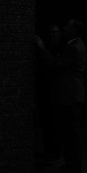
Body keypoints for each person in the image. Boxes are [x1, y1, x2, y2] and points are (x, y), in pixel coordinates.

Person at [34, 18, 87, 173]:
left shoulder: (73, 48)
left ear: (74, 31)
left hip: (69, 95)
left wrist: (42, 48)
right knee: (70, 132)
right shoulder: (75, 45)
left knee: (70, 133)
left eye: (67, 27)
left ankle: (73, 167)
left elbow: (56, 63)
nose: (64, 29)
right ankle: (71, 165)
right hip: (71, 93)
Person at [35, 24, 64, 165]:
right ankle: (49, 150)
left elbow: (54, 63)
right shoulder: (49, 47)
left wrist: (42, 49)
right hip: (46, 88)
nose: (53, 35)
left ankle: (54, 151)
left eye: (55, 32)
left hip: (56, 90)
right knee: (46, 122)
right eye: (51, 32)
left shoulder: (62, 48)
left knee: (54, 123)